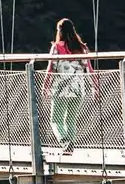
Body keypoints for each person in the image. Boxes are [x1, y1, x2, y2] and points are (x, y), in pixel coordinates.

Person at [41, 18, 98, 154]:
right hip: (79, 88)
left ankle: (65, 143)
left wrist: (45, 85)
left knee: (56, 120)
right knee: (71, 119)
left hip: (62, 88)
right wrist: (95, 87)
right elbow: (90, 70)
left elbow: (50, 68)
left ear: (59, 31)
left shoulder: (57, 47)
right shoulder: (82, 48)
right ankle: (70, 147)